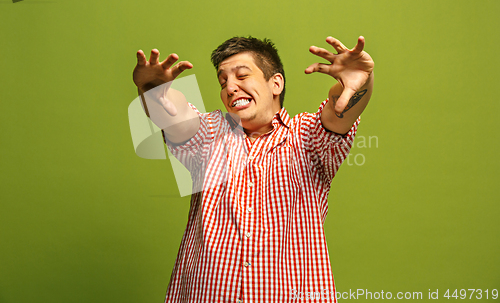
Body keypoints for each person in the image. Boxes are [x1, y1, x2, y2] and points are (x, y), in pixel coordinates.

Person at [133, 36, 374, 303]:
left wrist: (359, 82)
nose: (231, 87)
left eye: (242, 76)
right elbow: (175, 115)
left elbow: (339, 109)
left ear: (276, 83)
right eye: (223, 81)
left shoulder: (307, 137)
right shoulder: (210, 134)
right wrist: (153, 88)